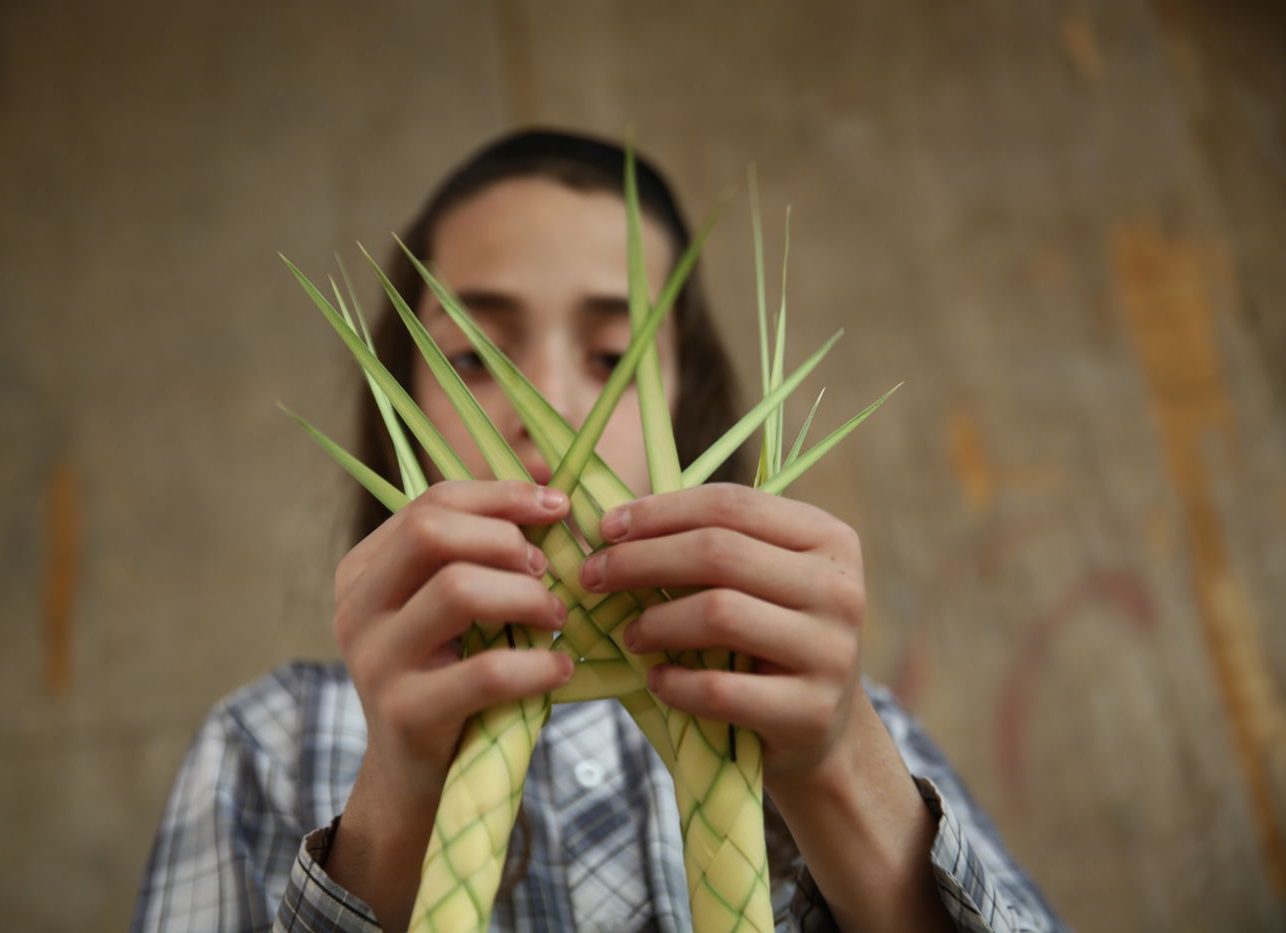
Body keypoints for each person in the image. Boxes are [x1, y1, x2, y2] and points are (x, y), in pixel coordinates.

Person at [132, 130, 1068, 933]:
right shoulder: (264, 743)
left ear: (686, 406)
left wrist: (837, 770)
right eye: (473, 356)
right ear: (403, 396)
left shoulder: (849, 726)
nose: (551, 405)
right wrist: (387, 816)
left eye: (613, 356)